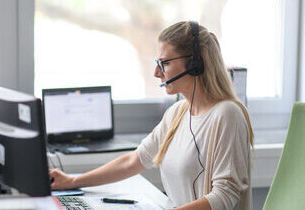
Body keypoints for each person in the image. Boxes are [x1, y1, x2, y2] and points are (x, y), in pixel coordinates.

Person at [49, 21, 254, 210]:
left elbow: (225, 195)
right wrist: (72, 181)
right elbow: (133, 161)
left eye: (164, 63)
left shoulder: (227, 115)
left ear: (195, 64)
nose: (157, 72)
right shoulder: (177, 113)